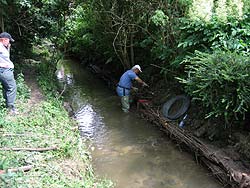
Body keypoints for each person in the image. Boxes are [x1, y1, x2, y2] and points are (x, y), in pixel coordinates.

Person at [0, 32, 17, 114]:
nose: (9, 42)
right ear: (4, 40)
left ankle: (6, 105)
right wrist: (1, 64)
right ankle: (11, 108)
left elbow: (5, 57)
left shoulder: (3, 46)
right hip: (4, 70)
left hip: (6, 70)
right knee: (12, 87)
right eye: (9, 41)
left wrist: (8, 48)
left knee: (6, 88)